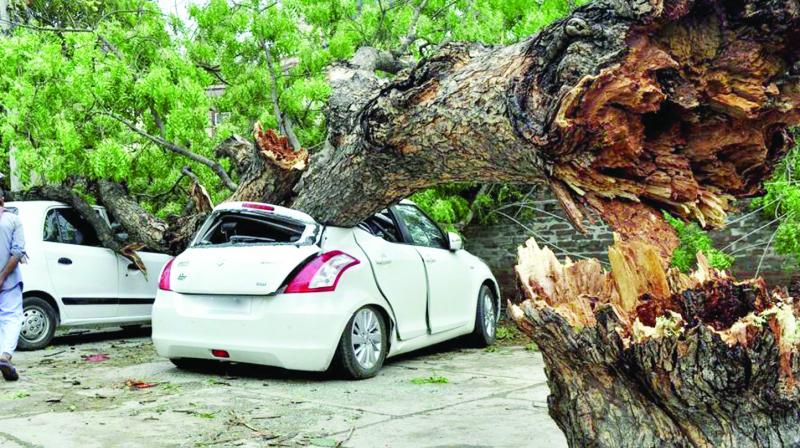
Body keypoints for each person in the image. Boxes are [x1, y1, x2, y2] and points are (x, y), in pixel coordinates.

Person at [0, 188, 26, 381]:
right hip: (8, 281)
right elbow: (17, 252)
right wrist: (2, 276)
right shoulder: (13, 220)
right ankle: (5, 356)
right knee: (11, 318)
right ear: (2, 199)